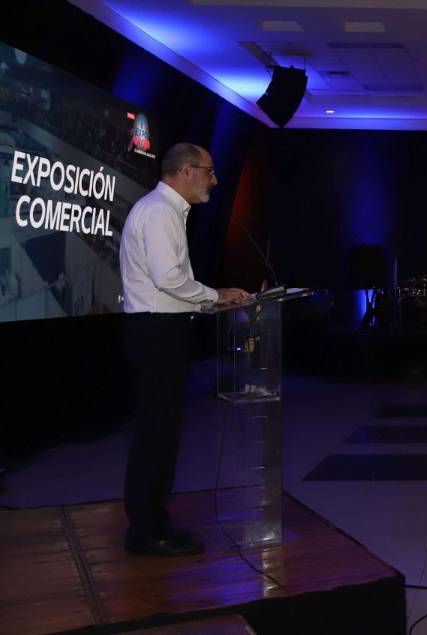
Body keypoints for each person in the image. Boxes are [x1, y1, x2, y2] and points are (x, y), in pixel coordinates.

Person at [120, 143, 252, 557]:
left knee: (159, 432)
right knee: (156, 434)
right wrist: (213, 296)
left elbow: (171, 282)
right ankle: (147, 530)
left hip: (159, 329)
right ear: (187, 171)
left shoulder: (166, 211)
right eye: (210, 172)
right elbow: (167, 279)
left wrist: (211, 298)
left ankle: (152, 522)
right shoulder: (160, 211)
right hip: (157, 332)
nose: (215, 180)